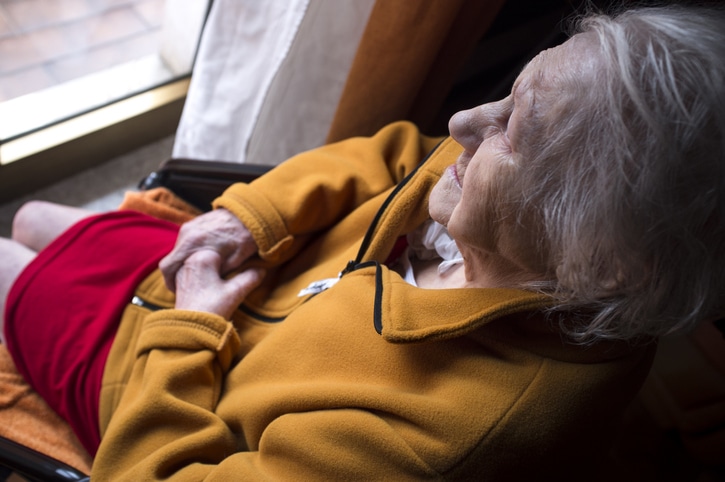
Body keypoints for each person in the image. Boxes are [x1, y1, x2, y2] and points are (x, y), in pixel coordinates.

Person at [1, 4, 724, 480]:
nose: (467, 120)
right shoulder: (518, 221)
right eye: (511, 92)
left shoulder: (444, 437)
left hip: (172, 382)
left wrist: (187, 327)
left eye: (515, 130)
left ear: (598, 257)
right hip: (250, 285)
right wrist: (248, 219)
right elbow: (393, 152)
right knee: (31, 215)